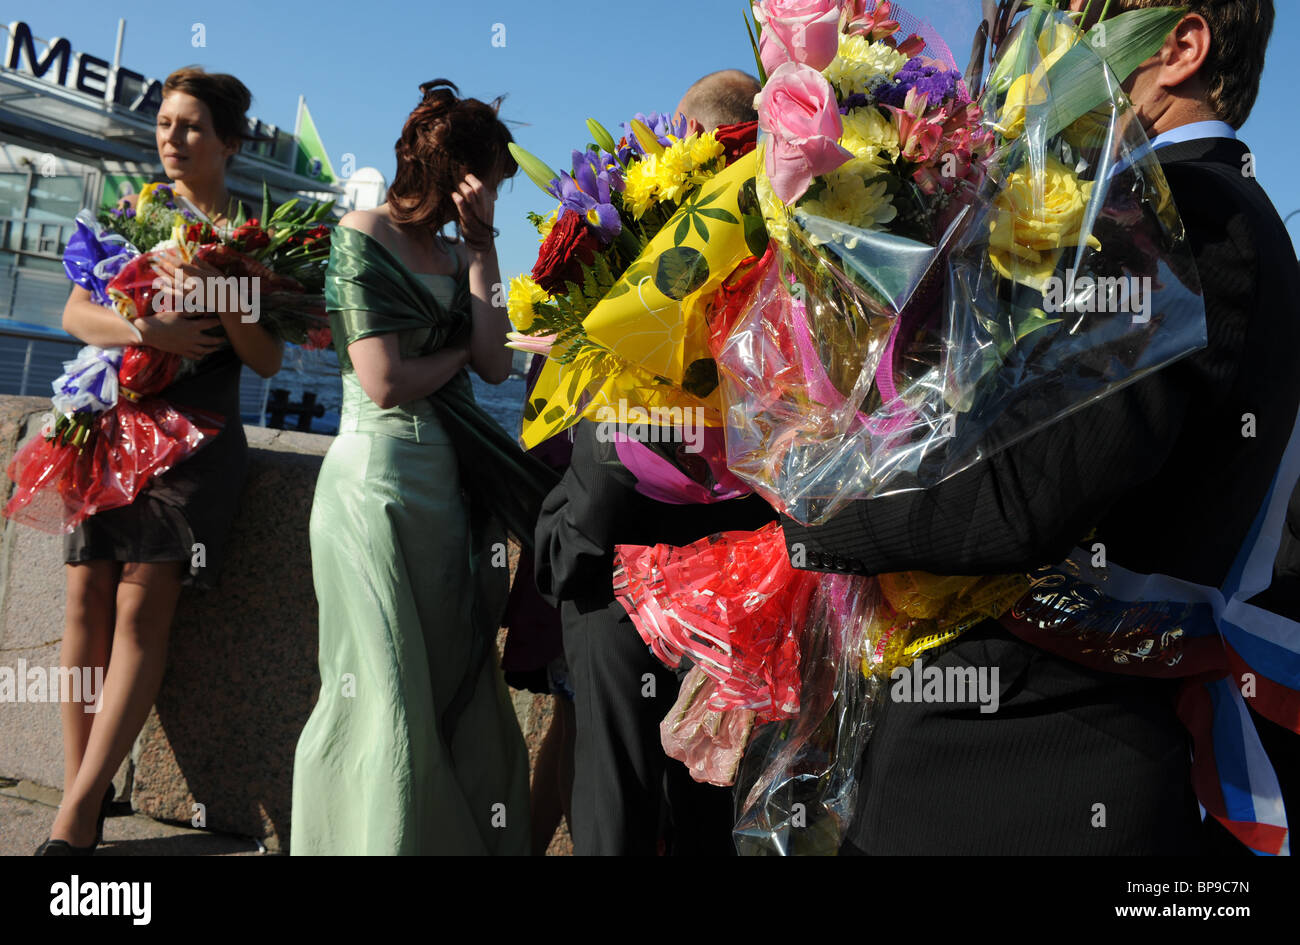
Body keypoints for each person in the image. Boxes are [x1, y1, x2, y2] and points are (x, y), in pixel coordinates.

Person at [780, 0, 1299, 854]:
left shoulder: (1190, 218)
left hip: (1027, 763)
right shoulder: (1196, 212)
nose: (1048, 40)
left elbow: (1026, 486)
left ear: (1182, 47)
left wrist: (819, 506)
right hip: (1031, 752)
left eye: (1081, 16)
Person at [290, 79, 555, 855]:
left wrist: (484, 248)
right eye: (488, 187)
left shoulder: (459, 249)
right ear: (458, 175)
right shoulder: (361, 231)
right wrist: (457, 355)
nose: (489, 201)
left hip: (448, 494)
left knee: (447, 685)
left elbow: (496, 366)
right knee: (381, 693)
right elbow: (384, 381)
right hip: (373, 492)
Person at [36, 67, 283, 855]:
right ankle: (88, 793)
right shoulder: (133, 211)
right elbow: (76, 310)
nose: (171, 139)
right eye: (166, 124)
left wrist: (225, 290)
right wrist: (149, 332)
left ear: (229, 145)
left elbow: (269, 358)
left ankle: (71, 823)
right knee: (84, 600)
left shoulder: (252, 236)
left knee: (142, 606)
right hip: (112, 426)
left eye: (189, 128)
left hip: (200, 439)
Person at [534, 70, 777, 856]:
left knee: (617, 805)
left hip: (620, 574)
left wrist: (571, 541)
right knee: (709, 804)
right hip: (740, 583)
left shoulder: (672, 247)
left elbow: (617, 431)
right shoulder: (783, 251)